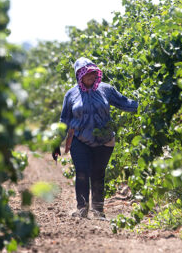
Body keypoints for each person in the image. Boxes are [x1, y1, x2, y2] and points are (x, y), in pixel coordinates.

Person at [52, 57, 138, 219]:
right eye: (87, 73)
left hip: (104, 140)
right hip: (80, 140)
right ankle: (82, 208)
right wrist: (57, 142)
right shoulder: (71, 95)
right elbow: (64, 120)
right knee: (82, 172)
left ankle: (98, 210)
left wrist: (146, 105)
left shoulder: (106, 90)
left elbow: (124, 103)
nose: (92, 76)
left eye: (94, 73)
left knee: (98, 174)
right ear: (80, 75)